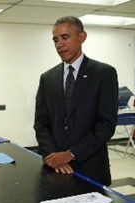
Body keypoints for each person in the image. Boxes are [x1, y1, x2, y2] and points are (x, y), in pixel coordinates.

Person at [33, 16, 118, 186]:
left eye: (65, 37)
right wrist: (53, 157)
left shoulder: (104, 74)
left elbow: (106, 124)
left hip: (91, 168)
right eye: (55, 40)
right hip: (55, 169)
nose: (59, 45)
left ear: (82, 37)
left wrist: (71, 154)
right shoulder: (47, 78)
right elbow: (41, 123)